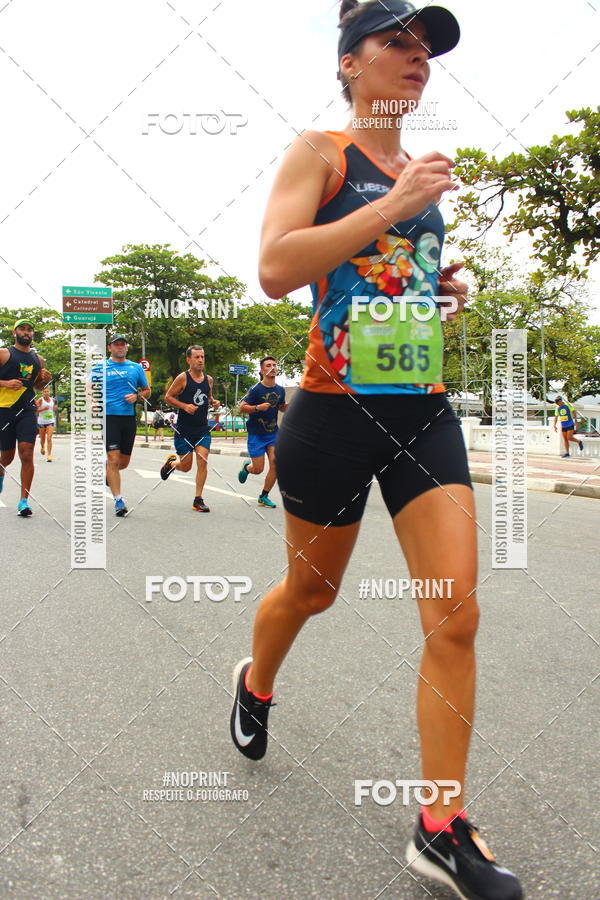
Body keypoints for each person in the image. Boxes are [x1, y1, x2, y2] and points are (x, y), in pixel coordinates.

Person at [229, 3, 522, 899]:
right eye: (397, 43)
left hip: (422, 412)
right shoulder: (320, 153)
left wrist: (436, 281)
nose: (417, 59)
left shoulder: (415, 171)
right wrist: (396, 206)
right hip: (329, 413)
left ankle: (440, 828)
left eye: (425, 48)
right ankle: (255, 679)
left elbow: (381, 268)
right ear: (350, 63)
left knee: (456, 612)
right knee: (311, 591)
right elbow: (278, 267)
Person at [91, 333, 150, 517]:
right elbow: (88, 390)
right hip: (109, 417)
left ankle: (108, 471)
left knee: (123, 462)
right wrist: (92, 401)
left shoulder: (136, 368)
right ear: (109, 347)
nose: (120, 347)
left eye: (123, 344)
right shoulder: (100, 368)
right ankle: (118, 500)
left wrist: (137, 397)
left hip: (128, 418)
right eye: (116, 344)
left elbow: (147, 391)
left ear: (126, 347)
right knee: (114, 460)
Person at [0, 318, 51, 515]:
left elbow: (37, 387)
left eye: (29, 329)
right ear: (14, 333)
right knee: (7, 456)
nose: (26, 332)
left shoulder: (39, 360)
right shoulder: (4, 354)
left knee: (27, 452)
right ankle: (1, 472)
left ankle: (23, 501)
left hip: (27, 409)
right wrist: (5, 383)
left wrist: (43, 380)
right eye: (22, 329)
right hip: (4, 409)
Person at [159, 345, 219, 512]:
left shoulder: (209, 379)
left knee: (203, 459)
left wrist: (214, 402)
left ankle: (198, 499)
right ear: (188, 360)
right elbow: (168, 397)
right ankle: (172, 464)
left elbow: (208, 397)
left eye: (202, 357)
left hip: (201, 429)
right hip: (184, 430)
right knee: (186, 467)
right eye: (197, 357)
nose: (200, 360)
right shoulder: (182, 378)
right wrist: (184, 406)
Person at [237, 356, 287, 508]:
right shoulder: (255, 389)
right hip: (256, 434)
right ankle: (247, 467)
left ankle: (263, 496)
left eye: (274, 365)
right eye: (268, 365)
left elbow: (281, 407)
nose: (272, 367)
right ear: (262, 370)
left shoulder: (280, 390)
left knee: (276, 464)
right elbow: (242, 407)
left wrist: (291, 406)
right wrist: (257, 407)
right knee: (258, 469)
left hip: (273, 433)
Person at [35, 386, 58, 461]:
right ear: (42, 393)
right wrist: (43, 409)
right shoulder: (40, 400)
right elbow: (36, 410)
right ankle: (42, 447)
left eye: (47, 391)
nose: (46, 393)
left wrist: (55, 408)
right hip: (41, 422)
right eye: (45, 392)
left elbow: (55, 408)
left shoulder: (53, 400)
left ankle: (49, 455)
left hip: (50, 421)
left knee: (49, 438)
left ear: (49, 392)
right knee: (43, 439)